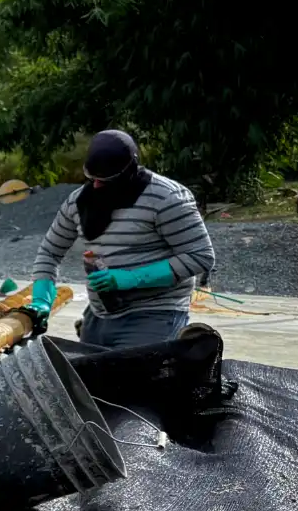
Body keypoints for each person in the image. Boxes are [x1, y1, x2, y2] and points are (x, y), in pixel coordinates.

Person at [29, 129, 216, 348]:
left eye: (105, 180)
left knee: (130, 379)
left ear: (129, 170)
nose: (96, 186)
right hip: (99, 316)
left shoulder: (167, 198)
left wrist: (131, 278)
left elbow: (200, 256)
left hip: (154, 315)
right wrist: (41, 300)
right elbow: (50, 252)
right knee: (87, 379)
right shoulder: (78, 201)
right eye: (93, 178)